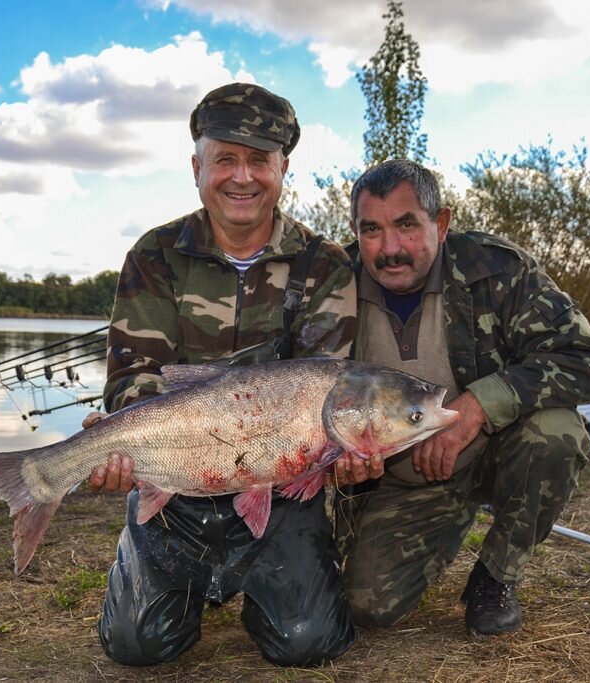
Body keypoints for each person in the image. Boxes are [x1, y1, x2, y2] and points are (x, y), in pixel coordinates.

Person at [88, 83, 358, 667]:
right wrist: (124, 438)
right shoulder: (154, 256)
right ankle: (169, 585)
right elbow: (131, 377)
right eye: (225, 159)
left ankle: (269, 590)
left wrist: (347, 453)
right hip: (177, 482)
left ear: (283, 167)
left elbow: (331, 388)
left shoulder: (324, 264)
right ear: (197, 167)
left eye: (259, 160)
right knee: (138, 646)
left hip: (280, 492)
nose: (242, 177)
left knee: (306, 643)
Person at [330, 159, 590, 636]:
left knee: (557, 432)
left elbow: (589, 361)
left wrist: (480, 405)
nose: (390, 248)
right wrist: (340, 454)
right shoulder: (333, 284)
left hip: (492, 452)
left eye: (406, 225)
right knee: (368, 607)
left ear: (440, 223)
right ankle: (441, 523)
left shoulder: (495, 268)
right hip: (401, 478)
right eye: (371, 230)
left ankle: (495, 575)